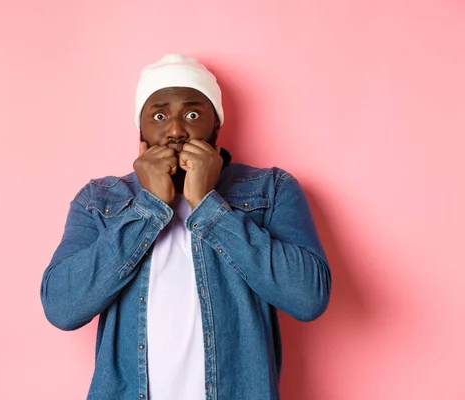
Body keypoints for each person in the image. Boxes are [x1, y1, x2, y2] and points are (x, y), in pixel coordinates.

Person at [40, 54, 331, 400]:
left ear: (216, 127)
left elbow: (308, 298)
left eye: (192, 114)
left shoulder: (271, 189)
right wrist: (149, 208)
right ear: (141, 130)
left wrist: (209, 205)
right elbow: (62, 308)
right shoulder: (100, 200)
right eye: (159, 115)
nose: (176, 129)